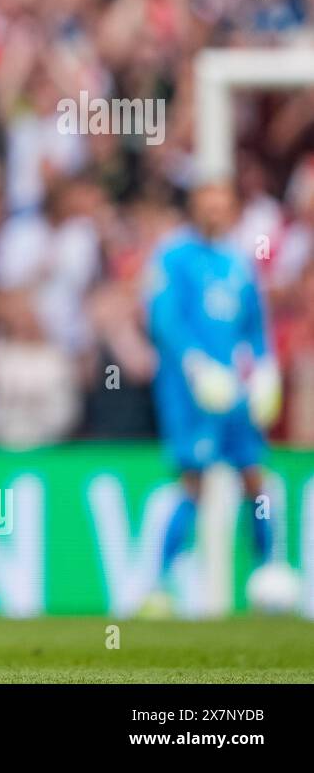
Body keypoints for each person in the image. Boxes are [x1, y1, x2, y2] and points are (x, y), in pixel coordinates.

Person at [141, 181, 283, 616]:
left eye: (223, 207)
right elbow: (163, 319)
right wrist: (195, 365)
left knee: (255, 479)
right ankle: (158, 589)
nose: (215, 215)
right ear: (194, 208)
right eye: (208, 206)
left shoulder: (239, 263)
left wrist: (264, 369)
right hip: (191, 394)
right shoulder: (173, 258)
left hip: (234, 392)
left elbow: (254, 328)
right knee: (194, 482)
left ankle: (268, 575)